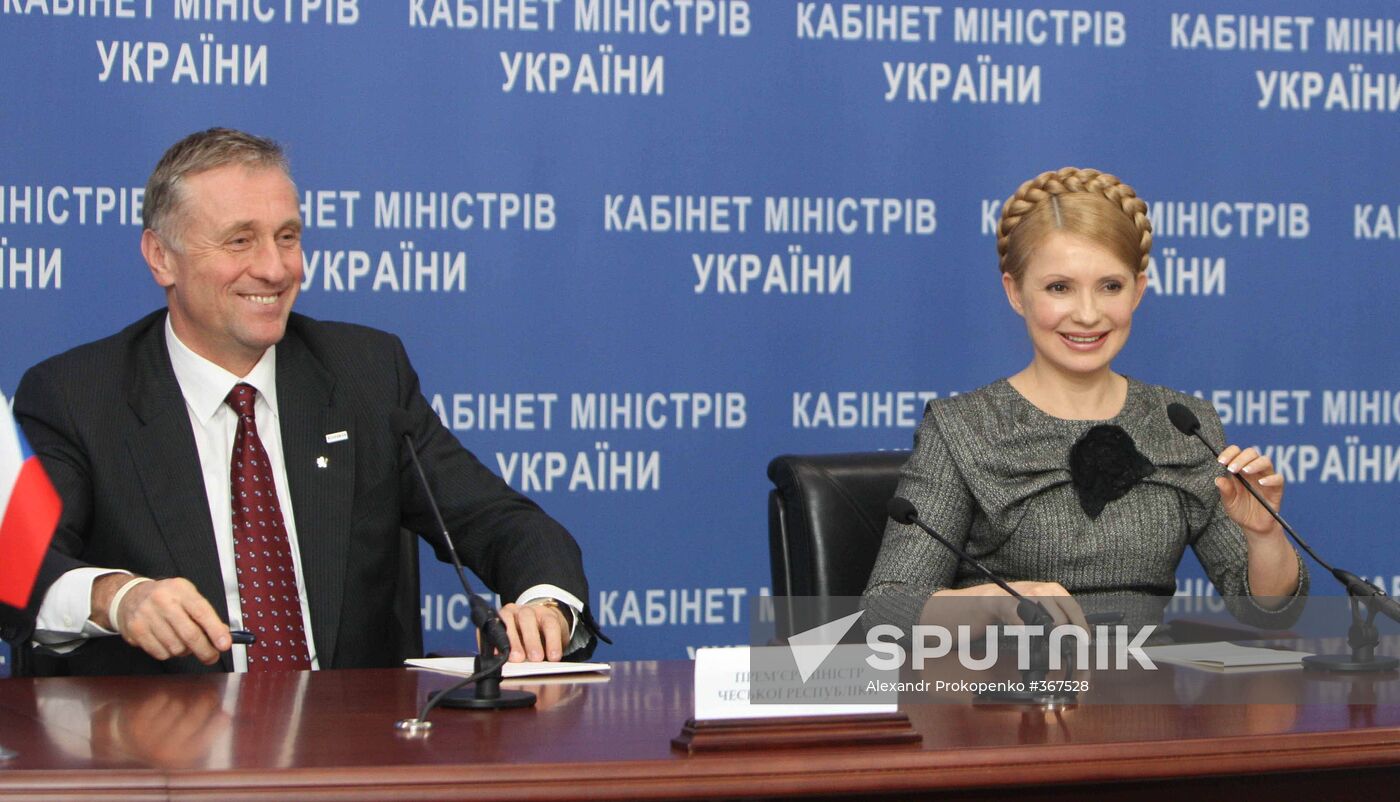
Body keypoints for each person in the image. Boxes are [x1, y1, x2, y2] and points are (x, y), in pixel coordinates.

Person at [8, 128, 601, 675]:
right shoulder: (76, 395)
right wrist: (119, 597)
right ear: (161, 257)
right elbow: (17, 570)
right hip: (165, 761)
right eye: (240, 240)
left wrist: (544, 604)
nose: (274, 268)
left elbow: (499, 521)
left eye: (287, 238)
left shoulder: (364, 375)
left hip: (351, 755)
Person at [863, 167, 1306, 635]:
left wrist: (1264, 535)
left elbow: (1269, 612)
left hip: (1145, 700)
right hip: (1012, 696)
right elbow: (888, 608)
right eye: (1060, 287)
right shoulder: (962, 428)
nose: (1089, 314)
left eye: (1110, 286)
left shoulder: (1184, 424)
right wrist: (995, 603)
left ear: (1138, 290)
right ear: (1015, 292)